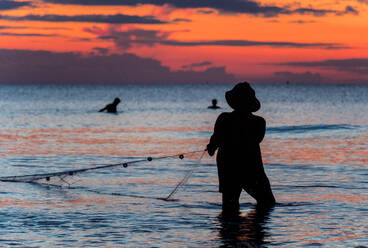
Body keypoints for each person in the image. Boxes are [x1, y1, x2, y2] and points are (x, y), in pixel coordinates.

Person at [206, 82, 275, 214]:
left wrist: (212, 146)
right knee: (267, 203)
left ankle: (229, 231)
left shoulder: (224, 119)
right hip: (251, 166)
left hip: (229, 166)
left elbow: (213, 146)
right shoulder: (259, 122)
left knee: (229, 206)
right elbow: (255, 140)